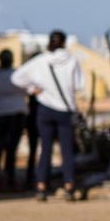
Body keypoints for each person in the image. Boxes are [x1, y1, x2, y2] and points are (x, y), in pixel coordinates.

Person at [12, 31, 84, 202]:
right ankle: (69, 186)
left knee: (45, 149)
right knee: (67, 151)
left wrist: (32, 89)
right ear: (64, 43)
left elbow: (16, 78)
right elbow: (79, 85)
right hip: (65, 110)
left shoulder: (41, 60)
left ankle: (41, 186)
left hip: (45, 109)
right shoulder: (72, 60)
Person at [0, 49, 28, 191]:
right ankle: (8, 177)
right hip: (16, 113)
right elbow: (28, 90)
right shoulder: (17, 75)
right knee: (10, 147)